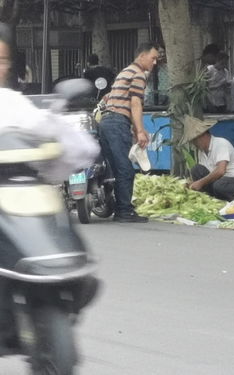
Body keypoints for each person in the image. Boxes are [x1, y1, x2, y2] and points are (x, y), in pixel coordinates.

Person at [0, 23, 99, 347]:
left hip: (21, 187)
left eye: (2, 59)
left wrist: (60, 132)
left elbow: (64, 139)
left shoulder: (15, 103)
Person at [99, 42, 159, 223]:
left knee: (112, 168)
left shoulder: (124, 72)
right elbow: (135, 103)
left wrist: (135, 128)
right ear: (142, 56)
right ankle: (124, 211)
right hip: (117, 123)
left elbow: (110, 98)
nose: (155, 62)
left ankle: (113, 205)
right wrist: (140, 131)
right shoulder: (139, 74)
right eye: (153, 58)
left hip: (106, 122)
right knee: (125, 169)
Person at [182, 116, 234, 201]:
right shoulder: (201, 152)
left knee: (219, 185)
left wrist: (200, 183)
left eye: (194, 140)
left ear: (202, 135)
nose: (194, 144)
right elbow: (206, 176)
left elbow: (221, 171)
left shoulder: (220, 143)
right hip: (219, 183)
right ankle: (212, 198)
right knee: (196, 170)